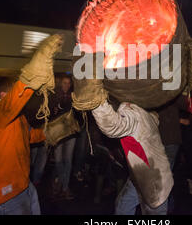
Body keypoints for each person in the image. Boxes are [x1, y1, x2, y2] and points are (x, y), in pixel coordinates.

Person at [71, 61, 174, 215]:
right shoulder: (144, 111)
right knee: (122, 206)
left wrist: (96, 101)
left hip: (152, 181)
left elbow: (112, 126)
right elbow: (154, 117)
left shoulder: (134, 113)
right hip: (141, 176)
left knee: (153, 212)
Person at [0, 34, 63, 215]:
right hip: (4, 193)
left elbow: (29, 136)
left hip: (22, 183)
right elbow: (13, 102)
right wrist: (32, 74)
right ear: (3, 95)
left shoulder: (17, 118)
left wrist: (56, 130)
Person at [50, 75, 77, 201]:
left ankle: (64, 187)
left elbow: (77, 113)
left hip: (70, 131)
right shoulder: (54, 96)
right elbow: (50, 114)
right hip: (58, 132)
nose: (66, 85)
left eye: (68, 83)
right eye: (64, 83)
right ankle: (61, 183)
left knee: (68, 160)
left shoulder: (74, 97)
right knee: (59, 160)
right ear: (61, 84)